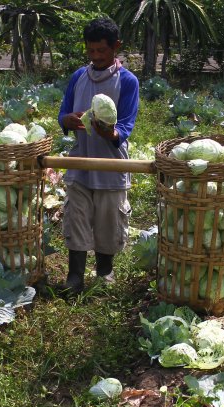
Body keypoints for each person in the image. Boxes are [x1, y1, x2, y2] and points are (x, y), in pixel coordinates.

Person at [57, 17, 139, 295]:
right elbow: (64, 113)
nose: (96, 57)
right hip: (79, 160)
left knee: (109, 221)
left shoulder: (127, 81)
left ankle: (104, 272)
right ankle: (75, 277)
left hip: (110, 166)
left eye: (101, 51)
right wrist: (68, 120)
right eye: (91, 51)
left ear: (116, 47)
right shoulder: (79, 77)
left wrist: (107, 131)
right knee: (76, 216)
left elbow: (125, 126)